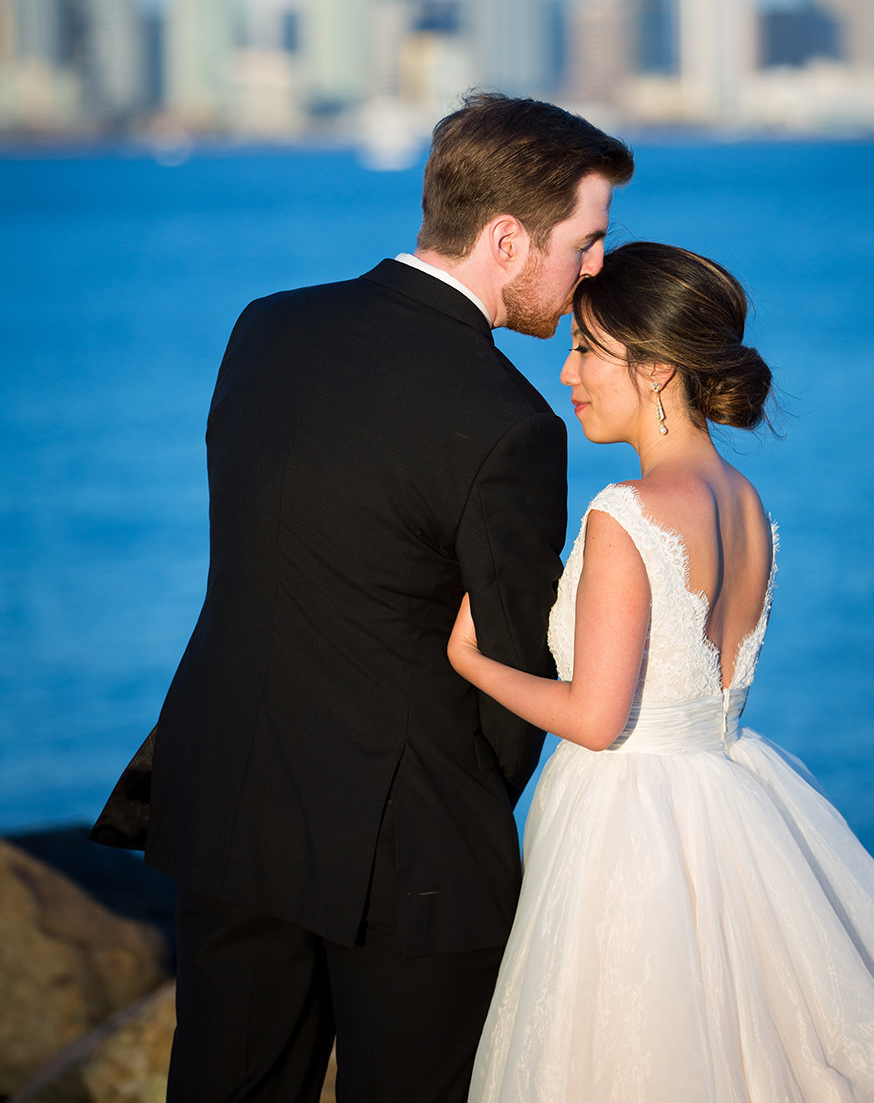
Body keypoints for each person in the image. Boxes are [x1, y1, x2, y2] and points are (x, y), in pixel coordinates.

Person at [92, 93, 633, 1103]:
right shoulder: (508, 421)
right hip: (411, 844)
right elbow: (514, 668)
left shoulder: (267, 328)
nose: (595, 268)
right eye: (587, 241)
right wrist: (459, 816)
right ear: (508, 240)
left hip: (229, 792)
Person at [449, 241, 874, 1103]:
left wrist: (469, 660)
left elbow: (596, 718)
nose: (569, 375)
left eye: (588, 350)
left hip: (628, 820)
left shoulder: (624, 512)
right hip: (732, 796)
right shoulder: (748, 504)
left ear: (659, 368)